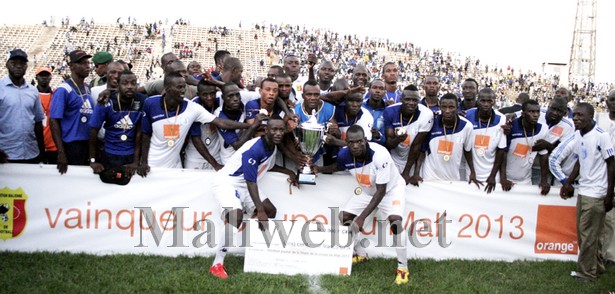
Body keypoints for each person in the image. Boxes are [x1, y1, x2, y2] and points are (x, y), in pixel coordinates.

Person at [314, 125, 409, 285]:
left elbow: (381, 191)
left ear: (365, 140)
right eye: (351, 142)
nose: (355, 146)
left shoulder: (379, 155)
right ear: (347, 143)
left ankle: (403, 268)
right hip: (368, 191)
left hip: (391, 189)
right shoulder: (345, 154)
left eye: (359, 141)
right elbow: (338, 166)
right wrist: (320, 169)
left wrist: (362, 218)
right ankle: (360, 254)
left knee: (395, 222)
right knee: (344, 217)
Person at [209, 118, 298, 279]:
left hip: (244, 184)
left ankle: (256, 253)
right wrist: (260, 210)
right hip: (227, 182)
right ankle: (217, 263)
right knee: (236, 216)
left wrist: (289, 172)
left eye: (281, 130)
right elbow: (251, 181)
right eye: (274, 130)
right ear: (266, 130)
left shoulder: (272, 146)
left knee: (271, 211)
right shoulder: (254, 148)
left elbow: (266, 166)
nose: (278, 133)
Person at [140, 72, 250, 172]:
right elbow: (145, 135)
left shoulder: (192, 107)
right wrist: (143, 162)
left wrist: (249, 126)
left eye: (184, 87)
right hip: (153, 162)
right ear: (167, 88)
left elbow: (221, 122)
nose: (183, 90)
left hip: (175, 165)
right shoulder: (150, 103)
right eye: (179, 87)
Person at [560, 102, 614, 282]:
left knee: (588, 234)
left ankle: (586, 273)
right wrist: (568, 183)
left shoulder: (602, 136)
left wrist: (609, 194)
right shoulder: (578, 134)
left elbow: (611, 164)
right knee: (588, 233)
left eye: (580, 115)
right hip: (583, 190)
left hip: (596, 193)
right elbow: (579, 161)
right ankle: (597, 266)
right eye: (574, 115)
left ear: (591, 117)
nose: (576, 118)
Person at [88, 70, 146, 175]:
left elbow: (139, 134)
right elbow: (93, 131)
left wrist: (136, 162)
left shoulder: (142, 101)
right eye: (125, 83)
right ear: (118, 85)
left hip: (131, 155)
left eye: (133, 83)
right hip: (109, 154)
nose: (129, 86)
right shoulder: (105, 101)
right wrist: (93, 160)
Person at [419, 93, 480, 184]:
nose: (447, 111)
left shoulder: (467, 126)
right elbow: (422, 150)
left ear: (457, 107)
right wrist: (416, 173)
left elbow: (467, 151)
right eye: (444, 107)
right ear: (439, 106)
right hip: (430, 176)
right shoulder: (432, 121)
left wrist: (472, 172)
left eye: (451, 107)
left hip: (452, 177)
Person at [50, 50, 94, 174]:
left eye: (88, 63)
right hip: (71, 145)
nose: (87, 66)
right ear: (72, 66)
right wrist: (61, 152)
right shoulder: (63, 90)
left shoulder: (88, 88)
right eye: (82, 63)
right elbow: (54, 121)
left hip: (87, 144)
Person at [0, 49, 45, 163]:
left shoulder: (33, 91)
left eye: (22, 63)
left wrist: (42, 151)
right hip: (6, 155)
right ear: (7, 65)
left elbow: (38, 123)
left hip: (31, 153)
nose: (18, 66)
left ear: (26, 66)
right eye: (14, 63)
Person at [384, 85, 434, 185]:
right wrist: (397, 140)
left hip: (412, 160)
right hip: (393, 159)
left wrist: (406, 171)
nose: (411, 103)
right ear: (401, 99)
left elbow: (417, 145)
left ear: (419, 100)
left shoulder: (426, 114)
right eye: (407, 99)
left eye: (415, 100)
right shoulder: (390, 111)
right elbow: (388, 144)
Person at [464, 88, 511, 193]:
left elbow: (501, 150)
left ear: (494, 101)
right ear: (477, 100)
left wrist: (493, 175)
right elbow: (466, 148)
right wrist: (472, 171)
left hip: (491, 173)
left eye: (489, 101)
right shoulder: (467, 115)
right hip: (471, 171)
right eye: (483, 101)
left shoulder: (501, 118)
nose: (486, 104)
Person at [504, 100, 550, 194]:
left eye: (537, 111)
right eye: (531, 112)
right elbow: (502, 153)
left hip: (525, 180)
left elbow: (543, 155)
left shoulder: (543, 129)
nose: (536, 114)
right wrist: (503, 178)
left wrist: (544, 181)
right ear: (523, 114)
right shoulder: (511, 126)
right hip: (506, 180)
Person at [216, 82, 267, 164]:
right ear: (223, 97)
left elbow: (267, 96)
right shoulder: (219, 115)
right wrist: (253, 126)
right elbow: (237, 146)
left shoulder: (244, 98)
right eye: (230, 96)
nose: (235, 98)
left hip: (247, 155)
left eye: (237, 95)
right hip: (230, 159)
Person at [184, 80, 223, 170]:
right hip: (195, 158)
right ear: (198, 94)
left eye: (212, 94)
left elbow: (232, 89)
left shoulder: (220, 100)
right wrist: (214, 164)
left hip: (216, 155)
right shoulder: (193, 105)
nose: (209, 98)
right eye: (205, 95)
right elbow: (196, 139)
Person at [35, 66, 57, 163]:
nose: (44, 78)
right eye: (41, 75)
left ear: (51, 77)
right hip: (35, 144)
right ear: (36, 78)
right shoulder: (31, 94)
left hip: (53, 144)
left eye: (46, 75)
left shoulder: (56, 94)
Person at [362, 79, 387, 145]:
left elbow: (387, 139)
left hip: (377, 148)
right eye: (374, 87)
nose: (377, 91)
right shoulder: (360, 106)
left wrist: (378, 136)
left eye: (381, 89)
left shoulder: (387, 111)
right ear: (369, 90)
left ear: (385, 92)